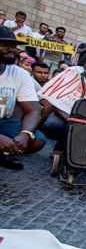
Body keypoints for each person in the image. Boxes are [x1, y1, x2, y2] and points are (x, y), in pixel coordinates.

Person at [0, 27, 42, 169]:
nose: (12, 49)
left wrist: (25, 133)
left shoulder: (19, 73)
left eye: (14, 46)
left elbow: (34, 110)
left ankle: (5, 153)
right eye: (6, 45)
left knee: (37, 140)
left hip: (3, 122)